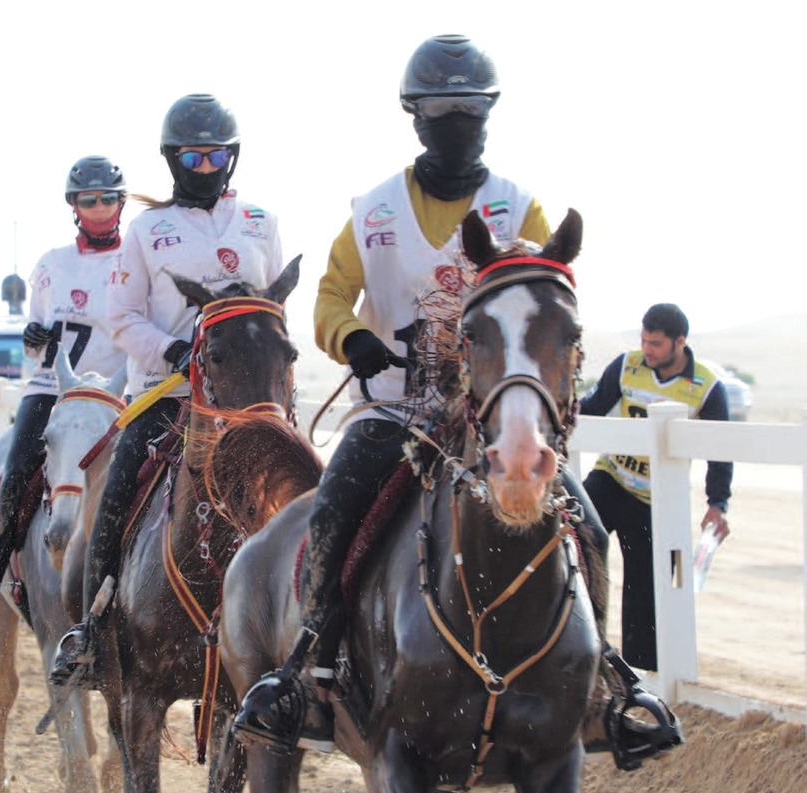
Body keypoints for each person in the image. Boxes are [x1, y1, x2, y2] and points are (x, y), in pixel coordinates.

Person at [232, 33, 623, 753]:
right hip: (394, 412)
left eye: (468, 114)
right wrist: (353, 338)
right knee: (334, 514)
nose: (454, 127)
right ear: (415, 118)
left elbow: (549, 302)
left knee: (591, 528)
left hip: (498, 418)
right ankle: (307, 666)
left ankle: (606, 684)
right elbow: (328, 296)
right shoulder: (373, 213)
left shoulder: (521, 209)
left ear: (487, 117)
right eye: (440, 114)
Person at [50, 94, 286, 688]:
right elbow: (121, 316)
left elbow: (272, 311)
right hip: (167, 397)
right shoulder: (148, 230)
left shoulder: (262, 224)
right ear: (172, 159)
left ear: (230, 160)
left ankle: (309, 637)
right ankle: (92, 628)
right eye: (192, 156)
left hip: (246, 404)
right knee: (115, 497)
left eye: (215, 157)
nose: (203, 167)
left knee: (304, 492)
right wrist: (174, 351)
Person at [0, 155, 131, 643]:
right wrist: (33, 339)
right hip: (53, 388)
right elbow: (36, 348)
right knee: (15, 475)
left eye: (107, 199)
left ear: (120, 202)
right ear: (74, 206)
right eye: (88, 200)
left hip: (116, 395)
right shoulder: (51, 265)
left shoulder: (137, 256)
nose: (98, 208)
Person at [581, 303, 733, 671]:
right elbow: (594, 407)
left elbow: (720, 450)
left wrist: (718, 503)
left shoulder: (708, 388)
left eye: (656, 343)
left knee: (644, 594)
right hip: (610, 478)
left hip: (653, 500)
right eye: (644, 340)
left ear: (680, 343)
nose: (647, 350)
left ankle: (641, 678)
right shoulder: (626, 365)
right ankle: (570, 647)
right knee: (570, 547)